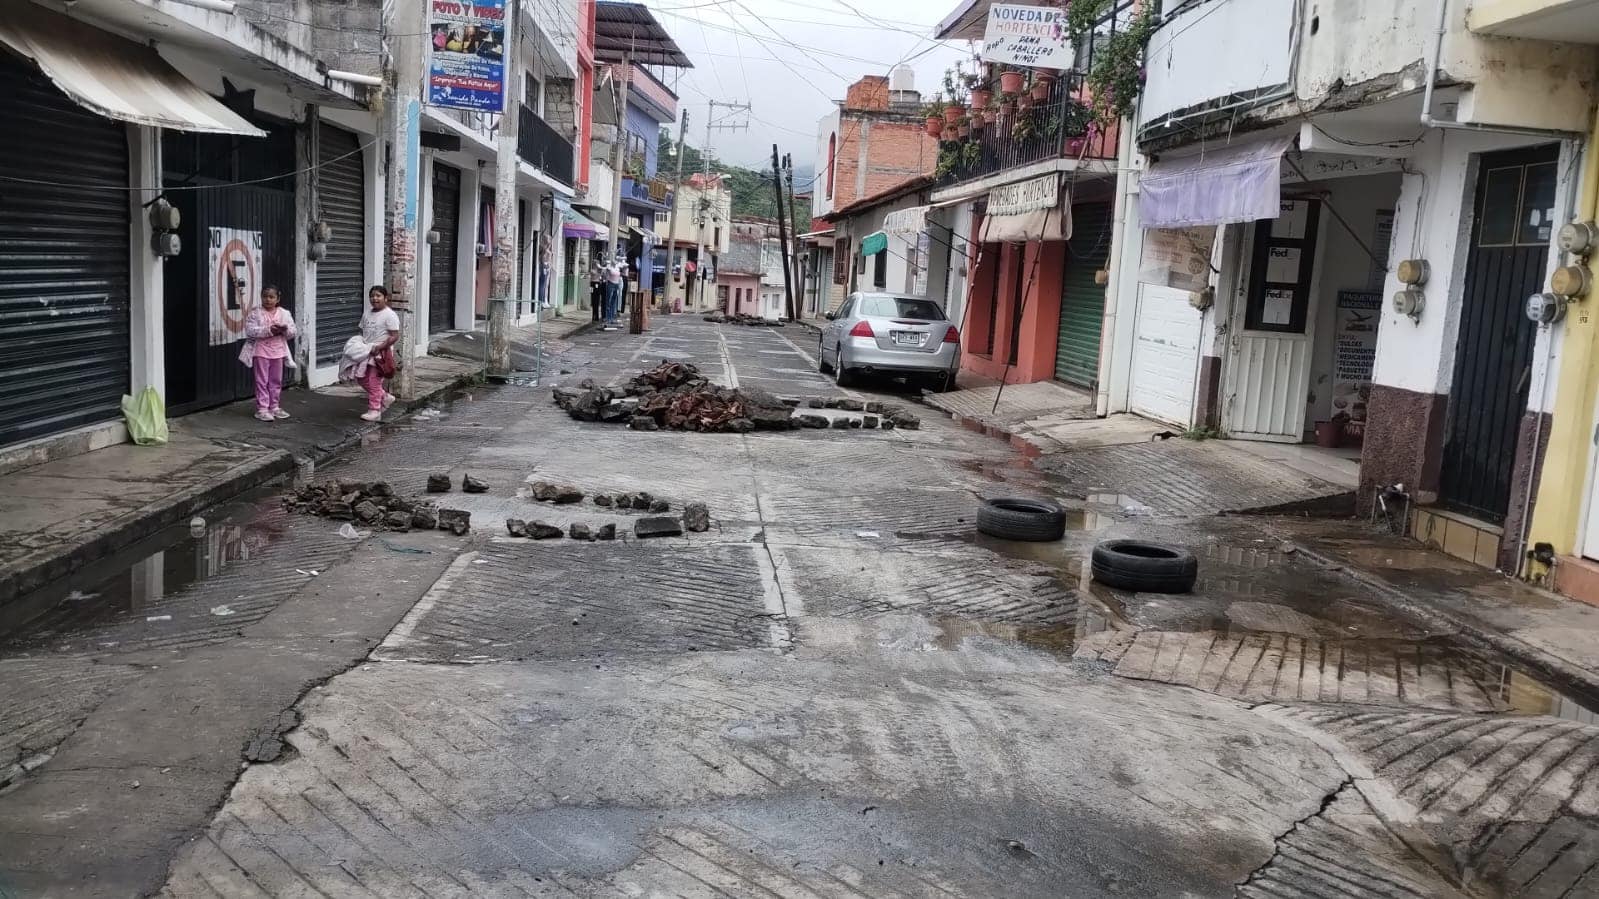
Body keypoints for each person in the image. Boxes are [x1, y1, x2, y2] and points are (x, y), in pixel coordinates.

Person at [241, 286, 296, 422]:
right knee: (262, 380)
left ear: (277, 299)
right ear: (261, 297)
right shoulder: (255, 313)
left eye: (271, 297)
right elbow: (250, 330)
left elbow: (293, 331)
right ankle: (262, 409)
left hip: (278, 351)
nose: (268, 299)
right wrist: (269, 330)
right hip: (261, 351)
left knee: (276, 381)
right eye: (265, 296)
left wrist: (284, 330)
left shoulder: (284, 313)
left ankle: (274, 406)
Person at [357, 285, 400, 422]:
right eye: (372, 295)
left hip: (381, 355)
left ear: (385, 298)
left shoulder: (390, 315)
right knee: (361, 377)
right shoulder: (367, 313)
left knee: (374, 381)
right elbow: (362, 331)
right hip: (366, 352)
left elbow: (394, 336)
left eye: (378, 295)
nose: (374, 298)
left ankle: (374, 410)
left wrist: (381, 347)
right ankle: (385, 396)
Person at [602, 257, 623, 328]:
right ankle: (607, 318)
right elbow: (605, 273)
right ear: (611, 262)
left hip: (616, 284)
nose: (615, 262)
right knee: (608, 301)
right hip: (610, 284)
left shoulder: (617, 267)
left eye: (615, 261)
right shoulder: (609, 267)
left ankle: (612, 318)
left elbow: (623, 263)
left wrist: (621, 258)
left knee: (614, 302)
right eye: (613, 261)